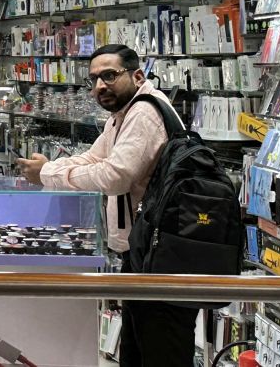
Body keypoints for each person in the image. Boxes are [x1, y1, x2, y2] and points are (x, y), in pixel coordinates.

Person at [16, 44, 189, 367]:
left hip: (161, 252)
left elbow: (115, 177)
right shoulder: (122, 114)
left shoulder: (144, 113)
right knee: (139, 348)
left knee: (161, 349)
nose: (99, 86)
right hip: (143, 249)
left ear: (137, 75)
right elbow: (94, 158)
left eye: (109, 75)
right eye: (93, 79)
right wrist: (49, 169)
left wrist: (49, 173)